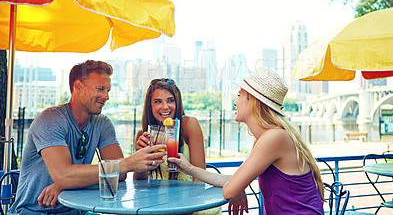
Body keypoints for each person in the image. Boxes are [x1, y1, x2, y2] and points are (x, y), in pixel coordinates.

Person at [9, 60, 166, 215]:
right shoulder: (49, 120)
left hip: (75, 210)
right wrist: (128, 163)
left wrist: (64, 185)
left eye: (108, 91)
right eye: (100, 89)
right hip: (34, 211)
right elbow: (64, 175)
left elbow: (120, 176)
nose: (106, 96)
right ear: (78, 86)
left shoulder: (102, 123)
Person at [169, 67, 325, 215]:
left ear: (253, 100)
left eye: (239, 95)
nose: (235, 102)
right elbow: (234, 181)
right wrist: (188, 168)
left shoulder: (274, 138)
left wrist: (238, 187)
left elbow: (230, 190)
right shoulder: (266, 138)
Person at [134, 78, 221, 215]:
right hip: (160, 206)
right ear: (150, 106)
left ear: (177, 103)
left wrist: (186, 211)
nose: (165, 107)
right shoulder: (143, 135)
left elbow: (199, 179)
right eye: (158, 101)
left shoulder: (189, 125)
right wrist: (140, 157)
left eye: (170, 100)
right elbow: (140, 184)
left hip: (193, 206)